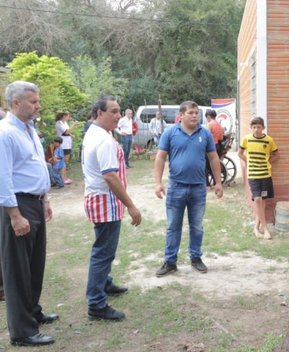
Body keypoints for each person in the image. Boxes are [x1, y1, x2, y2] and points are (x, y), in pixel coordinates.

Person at [0, 81, 57, 347]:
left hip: (34, 202)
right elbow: (3, 177)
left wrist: (44, 198)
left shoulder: (29, 128)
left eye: (37, 101)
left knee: (35, 263)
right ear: (15, 103)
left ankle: (33, 312)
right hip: (18, 205)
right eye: (33, 102)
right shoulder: (5, 133)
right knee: (17, 269)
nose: (38, 106)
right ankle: (22, 331)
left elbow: (35, 165)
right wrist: (14, 214)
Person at [82, 96, 143, 321]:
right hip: (105, 200)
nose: (118, 116)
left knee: (105, 249)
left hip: (99, 198)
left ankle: (104, 284)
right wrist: (131, 206)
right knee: (103, 252)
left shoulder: (95, 133)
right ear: (99, 113)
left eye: (119, 111)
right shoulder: (104, 139)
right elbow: (109, 175)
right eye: (113, 112)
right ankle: (96, 304)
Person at [153, 101, 223, 277]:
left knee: (197, 226)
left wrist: (218, 182)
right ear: (181, 115)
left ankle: (196, 258)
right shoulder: (170, 133)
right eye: (191, 113)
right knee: (172, 226)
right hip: (176, 187)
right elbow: (160, 158)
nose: (194, 116)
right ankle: (170, 262)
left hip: (198, 188)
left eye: (196, 113)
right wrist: (158, 183)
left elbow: (214, 158)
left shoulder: (205, 133)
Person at [238, 116, 279, 240]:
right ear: (251, 128)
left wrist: (268, 162)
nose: (256, 129)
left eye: (259, 127)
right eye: (254, 127)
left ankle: (256, 227)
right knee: (257, 200)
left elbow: (277, 154)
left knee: (263, 201)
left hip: (266, 175)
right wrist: (248, 161)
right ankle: (265, 229)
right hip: (253, 175)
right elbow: (240, 153)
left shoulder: (269, 140)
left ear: (263, 127)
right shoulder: (246, 139)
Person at [55, 112, 73, 184]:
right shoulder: (59, 123)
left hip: (68, 144)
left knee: (65, 162)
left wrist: (71, 135)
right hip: (63, 144)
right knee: (62, 162)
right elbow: (66, 132)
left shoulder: (65, 123)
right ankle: (62, 178)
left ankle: (64, 177)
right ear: (64, 116)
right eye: (68, 116)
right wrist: (74, 125)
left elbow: (68, 132)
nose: (69, 118)